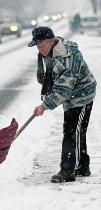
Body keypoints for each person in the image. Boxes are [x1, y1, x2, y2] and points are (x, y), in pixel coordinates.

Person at [28, 26, 97, 183]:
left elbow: (63, 88)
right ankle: (82, 166)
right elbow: (53, 78)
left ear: (52, 41)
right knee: (73, 130)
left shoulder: (68, 58)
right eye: (38, 47)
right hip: (70, 96)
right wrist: (46, 99)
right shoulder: (52, 50)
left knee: (74, 132)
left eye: (42, 46)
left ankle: (68, 171)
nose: (41, 50)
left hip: (82, 94)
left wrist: (45, 105)